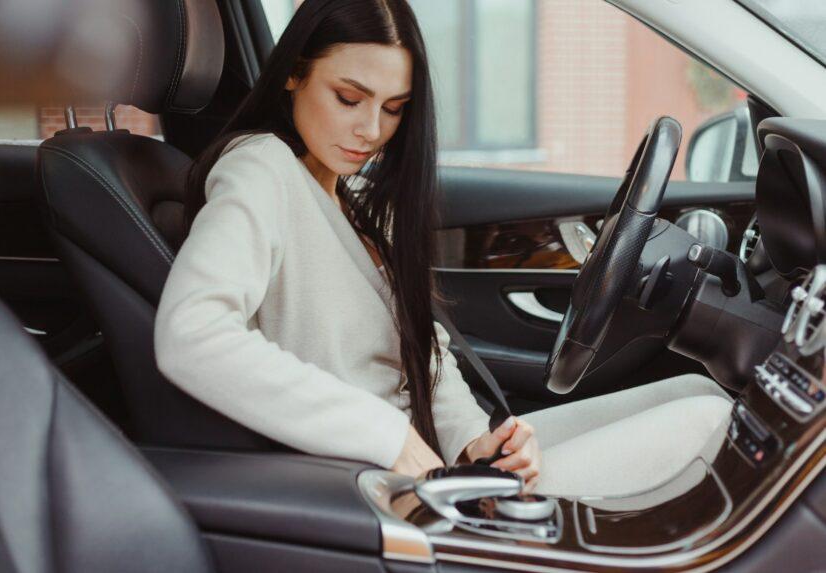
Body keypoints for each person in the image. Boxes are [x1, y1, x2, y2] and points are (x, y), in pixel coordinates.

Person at [154, 0, 732, 497]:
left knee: (699, 388)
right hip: (383, 487)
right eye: (349, 97)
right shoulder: (261, 168)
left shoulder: (345, 193)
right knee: (710, 420)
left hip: (438, 465)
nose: (371, 131)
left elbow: (423, 365)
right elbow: (192, 332)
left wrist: (478, 441)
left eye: (394, 108)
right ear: (293, 75)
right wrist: (387, 437)